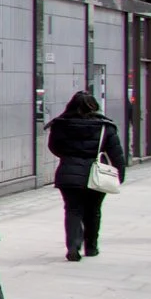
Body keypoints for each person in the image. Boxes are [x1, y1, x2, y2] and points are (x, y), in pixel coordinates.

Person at [46, 90, 125, 261]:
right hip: (96, 175)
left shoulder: (60, 124)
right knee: (94, 211)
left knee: (72, 210)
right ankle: (91, 246)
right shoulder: (105, 127)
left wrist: (68, 157)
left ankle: (73, 246)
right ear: (94, 106)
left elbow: (54, 147)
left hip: (69, 174)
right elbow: (117, 154)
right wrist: (120, 175)